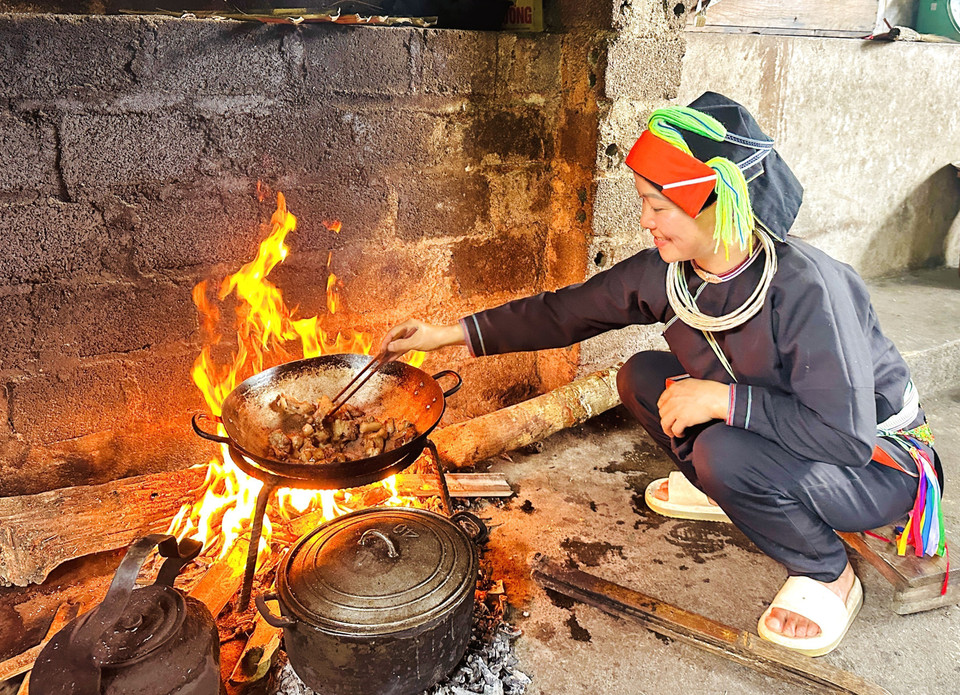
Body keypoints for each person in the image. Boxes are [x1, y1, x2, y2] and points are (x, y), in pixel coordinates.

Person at [380, 92, 945, 657]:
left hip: (877, 467)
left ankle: (826, 573)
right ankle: (722, 488)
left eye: (659, 205)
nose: (645, 221)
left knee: (723, 449)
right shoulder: (670, 272)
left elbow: (845, 437)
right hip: (785, 435)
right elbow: (564, 311)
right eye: (643, 203)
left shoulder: (810, 287)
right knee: (643, 377)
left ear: (716, 204)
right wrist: (444, 335)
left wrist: (724, 403)